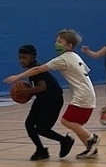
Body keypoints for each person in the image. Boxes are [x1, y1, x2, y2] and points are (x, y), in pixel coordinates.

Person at [6, 29, 99, 159]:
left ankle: (91, 139)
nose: (56, 43)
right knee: (76, 124)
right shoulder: (76, 57)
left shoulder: (63, 59)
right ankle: (90, 149)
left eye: (60, 41)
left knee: (67, 121)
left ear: (69, 46)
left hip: (80, 95)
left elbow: (38, 71)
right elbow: (85, 70)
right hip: (87, 93)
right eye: (56, 40)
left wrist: (17, 78)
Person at [15, 44, 73, 160]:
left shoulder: (37, 69)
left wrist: (27, 91)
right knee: (29, 125)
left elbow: (42, 87)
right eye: (20, 58)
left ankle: (65, 141)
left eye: (24, 58)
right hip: (42, 99)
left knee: (42, 129)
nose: (21, 60)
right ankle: (41, 150)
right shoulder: (32, 69)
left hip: (53, 100)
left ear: (32, 58)